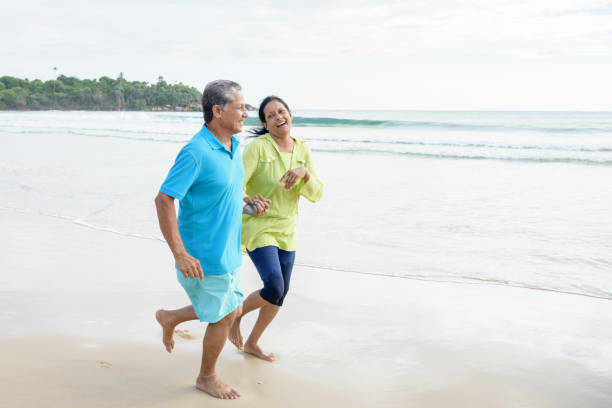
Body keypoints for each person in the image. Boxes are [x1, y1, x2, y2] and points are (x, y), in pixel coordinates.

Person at [154, 80, 270, 400]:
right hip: (202, 256)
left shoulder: (234, 148)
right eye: (240, 107)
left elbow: (221, 194)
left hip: (228, 250)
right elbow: (164, 200)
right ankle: (207, 377)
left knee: (230, 311)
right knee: (223, 315)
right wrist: (180, 253)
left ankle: (171, 317)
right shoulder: (196, 151)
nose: (247, 113)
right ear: (218, 111)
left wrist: (248, 205)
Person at [229, 96, 323, 361]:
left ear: (290, 114)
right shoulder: (258, 148)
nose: (278, 117)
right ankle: (236, 313)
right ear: (265, 124)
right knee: (273, 286)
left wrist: (304, 172)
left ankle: (252, 343)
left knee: (280, 294)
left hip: (287, 229)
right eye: (271, 115)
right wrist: (249, 201)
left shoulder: (302, 149)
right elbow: (235, 186)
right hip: (258, 226)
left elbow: (316, 194)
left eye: (281, 111)